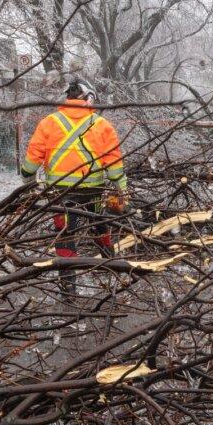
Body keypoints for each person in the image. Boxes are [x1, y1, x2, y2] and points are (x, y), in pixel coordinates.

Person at [20, 78, 128, 293]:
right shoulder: (100, 124)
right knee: (99, 226)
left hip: (61, 192)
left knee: (65, 235)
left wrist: (28, 179)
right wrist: (121, 190)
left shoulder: (49, 122)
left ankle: (68, 286)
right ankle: (111, 271)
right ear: (89, 98)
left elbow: (33, 157)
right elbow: (114, 163)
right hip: (94, 189)